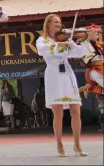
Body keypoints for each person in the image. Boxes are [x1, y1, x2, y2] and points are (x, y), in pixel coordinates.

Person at [36, 14, 96, 157]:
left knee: (76, 110)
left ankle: (77, 145)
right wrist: (61, 45)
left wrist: (89, 40)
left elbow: (80, 52)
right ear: (48, 24)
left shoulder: (66, 38)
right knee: (58, 112)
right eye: (56, 22)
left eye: (60, 22)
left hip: (67, 74)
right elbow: (42, 50)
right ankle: (59, 144)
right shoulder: (42, 40)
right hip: (54, 75)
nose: (59, 24)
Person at [77, 24, 103, 98]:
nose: (96, 32)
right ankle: (88, 88)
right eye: (94, 31)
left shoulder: (98, 45)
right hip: (95, 71)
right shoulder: (83, 45)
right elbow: (86, 61)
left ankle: (88, 88)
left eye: (96, 32)